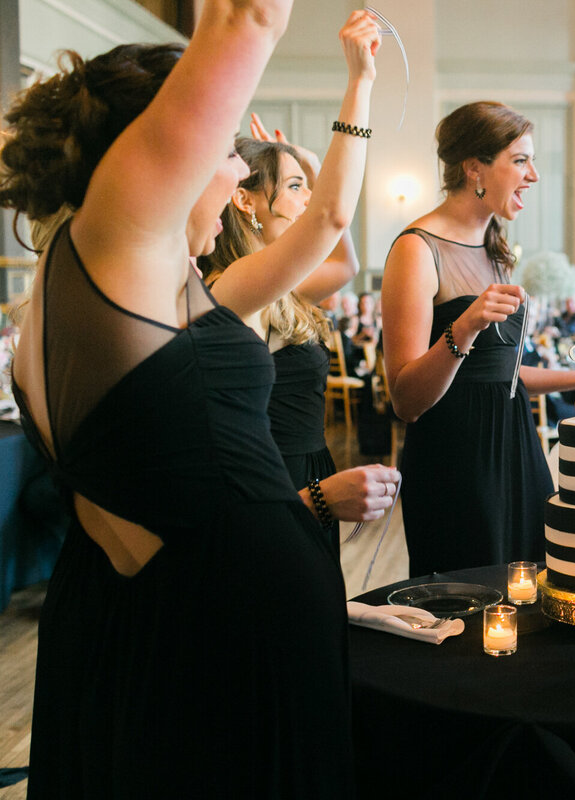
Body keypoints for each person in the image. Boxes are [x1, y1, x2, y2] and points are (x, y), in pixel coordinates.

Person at [0, 0, 359, 794]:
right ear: (158, 150)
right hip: (223, 631)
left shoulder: (135, 280)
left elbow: (328, 229)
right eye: (227, 151)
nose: (235, 173)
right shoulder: (115, 249)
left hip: (159, 618)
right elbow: (249, 16)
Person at [197, 12, 398, 558]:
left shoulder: (278, 288)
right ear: (246, 199)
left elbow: (344, 264)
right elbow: (331, 218)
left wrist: (307, 165)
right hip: (280, 475)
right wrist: (360, 82)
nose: (306, 198)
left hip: (312, 466)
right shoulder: (236, 282)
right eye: (292, 187)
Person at [382, 101, 575, 577]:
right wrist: (464, 327)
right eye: (520, 160)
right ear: (474, 167)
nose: (533, 175)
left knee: (532, 593)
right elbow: (406, 400)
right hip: (456, 463)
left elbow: (502, 375)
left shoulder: (497, 250)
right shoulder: (417, 250)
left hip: (518, 452)